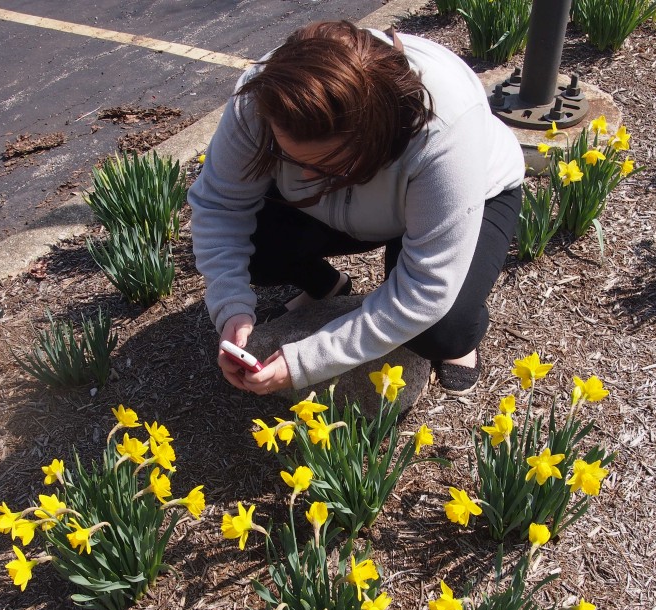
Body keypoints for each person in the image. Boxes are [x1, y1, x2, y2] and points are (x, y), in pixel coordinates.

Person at [187, 20, 525, 397]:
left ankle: (461, 337)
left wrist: (306, 362)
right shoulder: (265, 98)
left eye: (322, 164)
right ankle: (327, 286)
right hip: (343, 208)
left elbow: (425, 290)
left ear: (373, 135)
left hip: (473, 195)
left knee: (440, 330)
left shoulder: (444, 129)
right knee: (253, 249)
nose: (300, 174)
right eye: (283, 154)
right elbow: (219, 207)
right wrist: (230, 306)